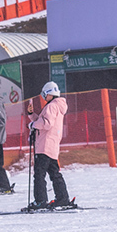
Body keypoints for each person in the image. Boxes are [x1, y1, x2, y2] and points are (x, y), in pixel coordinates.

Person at [27, 81, 72, 209]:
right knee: (54, 172)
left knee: (39, 174)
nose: (43, 97)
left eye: (44, 94)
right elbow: (45, 121)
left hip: (44, 145)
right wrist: (32, 116)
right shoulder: (58, 105)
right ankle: (62, 198)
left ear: (49, 93)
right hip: (51, 145)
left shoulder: (51, 106)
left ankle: (40, 200)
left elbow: (46, 123)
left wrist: (32, 125)